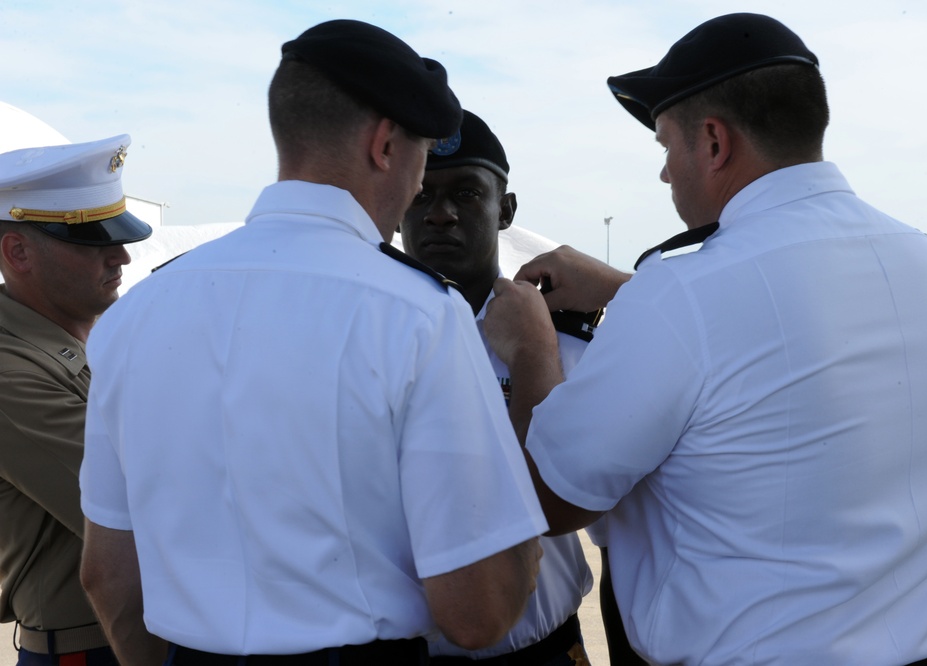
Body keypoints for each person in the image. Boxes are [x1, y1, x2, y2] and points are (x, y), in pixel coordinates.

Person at [482, 13, 927, 665]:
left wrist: (533, 351)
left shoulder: (683, 293)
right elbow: (781, 334)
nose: (664, 176)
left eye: (665, 147)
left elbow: (549, 493)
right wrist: (625, 291)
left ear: (713, 141)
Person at [78, 19, 546, 666]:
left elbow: (107, 575)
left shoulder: (140, 313)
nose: (418, 188)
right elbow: (477, 612)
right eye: (419, 157)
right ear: (385, 144)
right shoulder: (417, 314)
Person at [400, 110, 595, 666]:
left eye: (465, 192)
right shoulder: (368, 339)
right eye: (421, 195)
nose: (440, 214)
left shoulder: (569, 343)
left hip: (541, 649)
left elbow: (619, 529)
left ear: (505, 209)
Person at [0, 135, 152, 666]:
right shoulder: (8, 374)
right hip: (87, 649)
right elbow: (145, 499)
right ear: (17, 252)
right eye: (92, 240)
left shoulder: (113, 337)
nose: (122, 254)